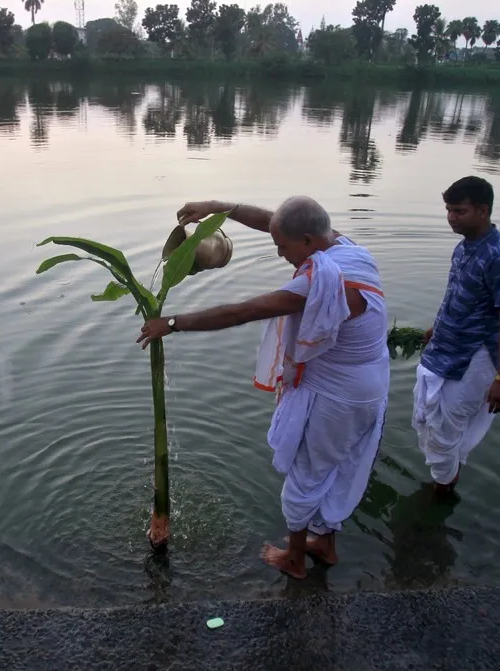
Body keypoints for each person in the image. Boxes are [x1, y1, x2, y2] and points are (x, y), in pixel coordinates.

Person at [138, 197, 390, 579]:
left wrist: (171, 324)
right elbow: (271, 220)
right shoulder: (346, 247)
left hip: (338, 395)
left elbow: (244, 311)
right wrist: (215, 207)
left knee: (307, 472)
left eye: (283, 247)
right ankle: (323, 543)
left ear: (307, 241)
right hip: (369, 384)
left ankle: (294, 558)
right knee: (337, 468)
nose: (278, 253)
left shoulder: (319, 281)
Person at [413, 176, 500, 494]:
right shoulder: (464, 247)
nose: (451, 217)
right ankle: (445, 476)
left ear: (483, 211)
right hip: (446, 348)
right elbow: (458, 294)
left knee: (446, 429)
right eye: (449, 209)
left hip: (474, 357)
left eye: (459, 211)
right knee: (429, 420)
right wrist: (439, 326)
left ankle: (443, 488)